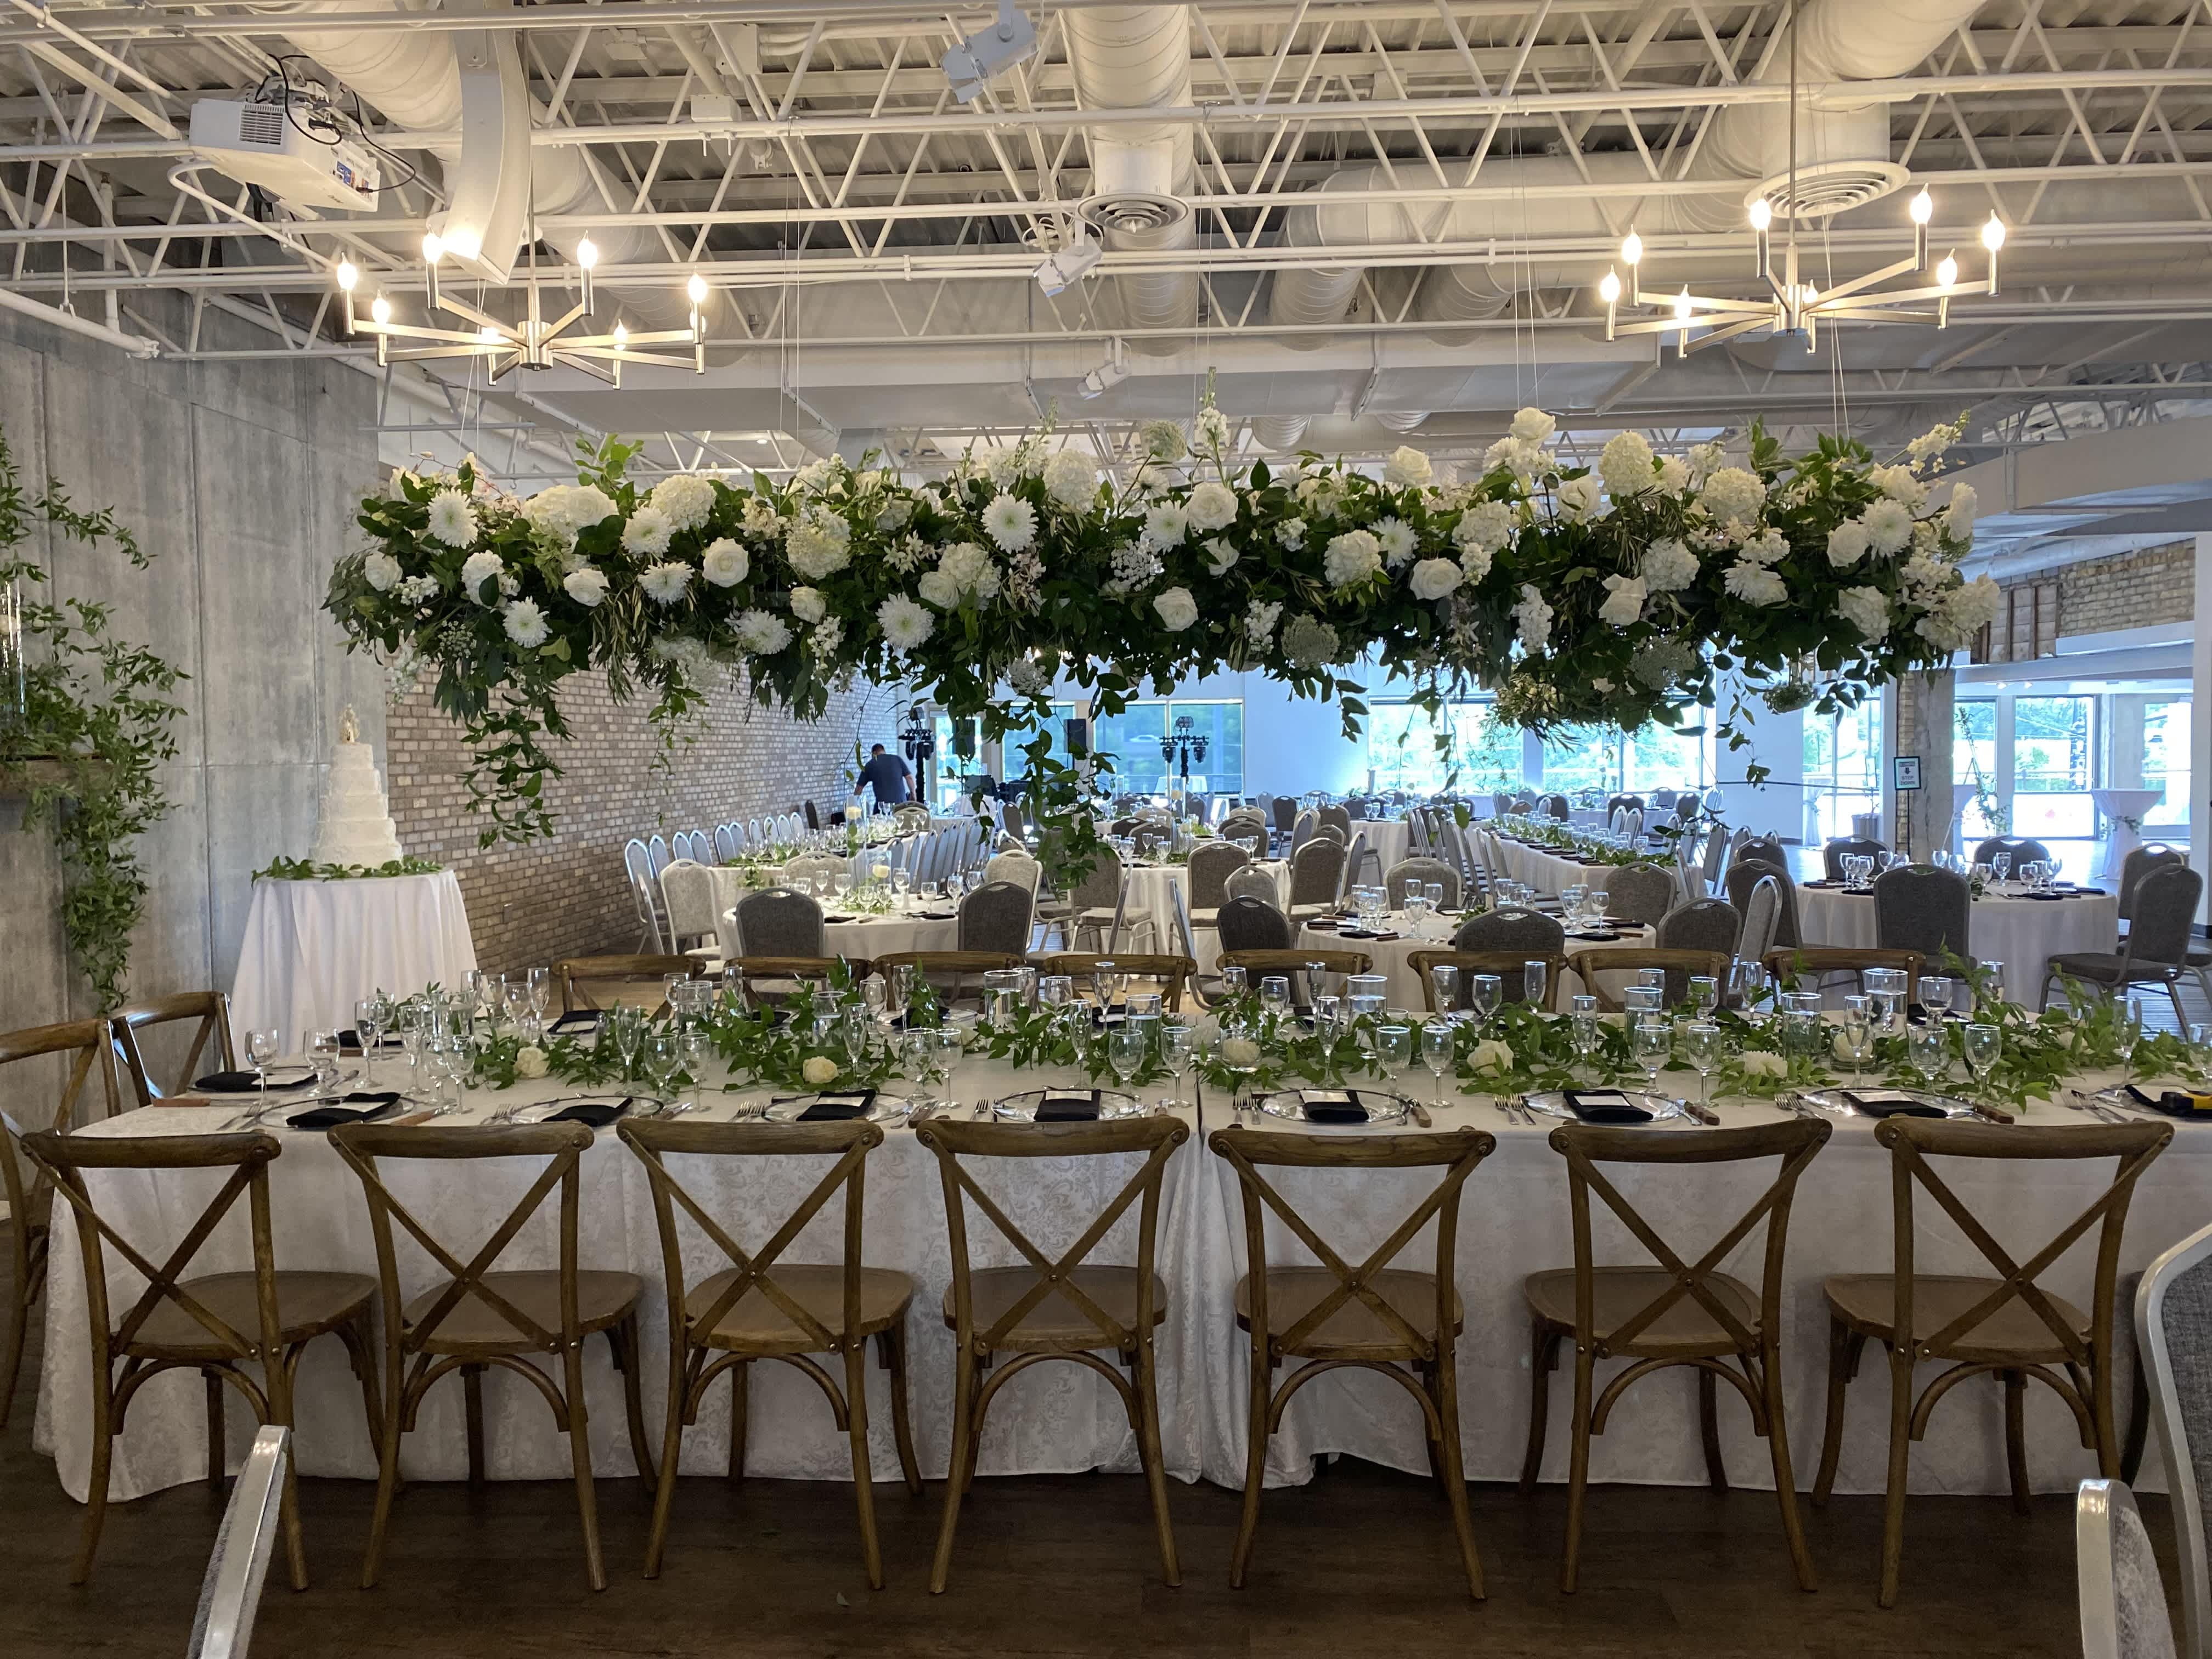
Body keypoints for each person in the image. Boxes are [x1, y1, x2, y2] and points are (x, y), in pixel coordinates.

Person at [856, 742, 913, 806]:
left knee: (877, 811)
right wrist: (913, 795)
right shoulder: (897, 759)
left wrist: (855, 805)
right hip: (901, 805)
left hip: (883, 806)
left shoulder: (870, 764)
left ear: (874, 753)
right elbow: (909, 778)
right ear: (884, 751)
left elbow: (859, 788)